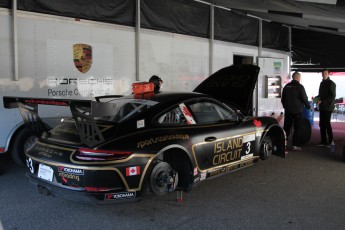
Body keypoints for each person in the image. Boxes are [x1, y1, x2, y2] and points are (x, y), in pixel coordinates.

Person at [281, 72, 312, 151]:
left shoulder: (286, 86)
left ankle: (282, 144)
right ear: (298, 77)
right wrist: (309, 106)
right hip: (298, 111)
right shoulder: (300, 87)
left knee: (286, 127)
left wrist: (286, 107)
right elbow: (304, 99)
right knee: (297, 128)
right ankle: (295, 145)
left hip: (288, 110)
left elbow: (283, 99)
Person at [315, 68, 336, 147]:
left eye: (325, 73)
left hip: (328, 107)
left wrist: (322, 101)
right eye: (323, 73)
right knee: (322, 124)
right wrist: (315, 99)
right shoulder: (321, 83)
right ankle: (323, 141)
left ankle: (331, 141)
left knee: (327, 124)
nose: (324, 75)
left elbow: (332, 97)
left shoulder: (331, 83)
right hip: (322, 107)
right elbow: (320, 95)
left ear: (328, 74)